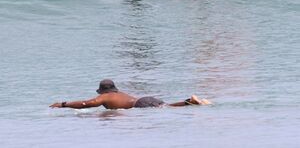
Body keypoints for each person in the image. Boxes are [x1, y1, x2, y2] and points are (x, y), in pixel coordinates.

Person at [50, 79, 212, 110]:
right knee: (167, 106)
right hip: (144, 99)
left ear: (102, 90)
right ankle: (190, 101)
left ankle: (191, 102)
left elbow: (86, 103)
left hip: (141, 105)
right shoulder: (119, 93)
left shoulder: (104, 97)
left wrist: (63, 104)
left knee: (168, 108)